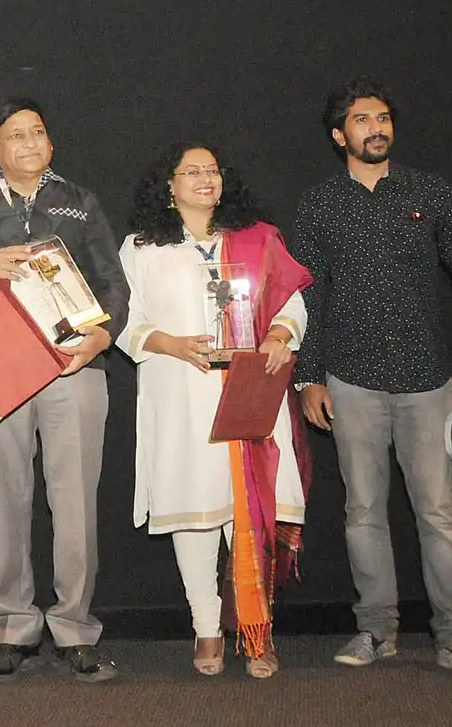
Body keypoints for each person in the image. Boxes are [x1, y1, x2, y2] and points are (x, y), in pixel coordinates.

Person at [289, 76, 452, 681]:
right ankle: (376, 630)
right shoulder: (320, 204)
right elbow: (304, 295)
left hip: (427, 381)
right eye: (362, 120)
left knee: (439, 513)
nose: (376, 128)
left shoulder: (428, 192)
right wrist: (309, 377)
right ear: (340, 135)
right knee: (363, 512)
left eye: (383, 118)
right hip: (351, 380)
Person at [0, 97, 128, 684]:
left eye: (37, 133)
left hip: (74, 368)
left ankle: (74, 629)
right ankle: (13, 626)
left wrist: (99, 340)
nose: (28, 144)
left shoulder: (81, 201)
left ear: (51, 143)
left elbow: (114, 285)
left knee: (75, 507)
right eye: (14, 136)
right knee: (7, 504)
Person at [116, 142, 313, 678]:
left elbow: (294, 299)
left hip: (249, 393)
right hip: (180, 394)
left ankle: (256, 629)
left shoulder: (257, 238)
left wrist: (279, 332)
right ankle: (206, 628)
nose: (205, 178)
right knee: (196, 514)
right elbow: (120, 321)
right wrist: (170, 343)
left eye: (212, 170)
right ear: (169, 184)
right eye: (191, 171)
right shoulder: (142, 247)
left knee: (249, 510)